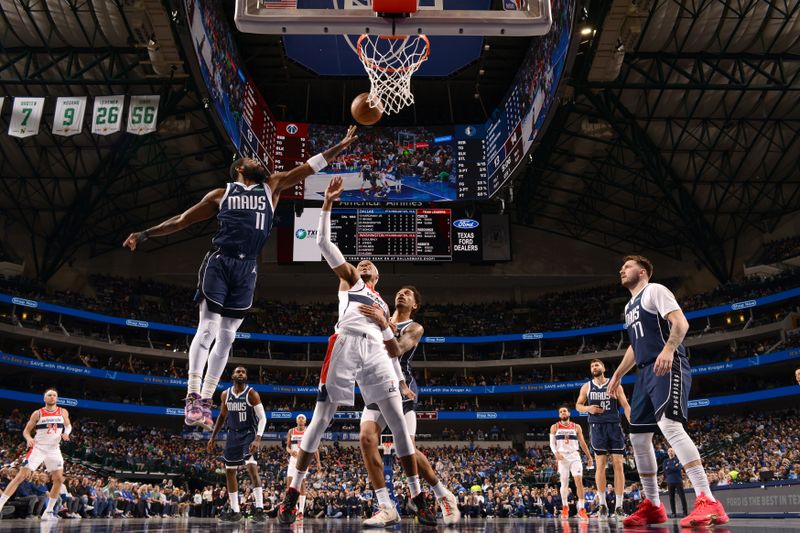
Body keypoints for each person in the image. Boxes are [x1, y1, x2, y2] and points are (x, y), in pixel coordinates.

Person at [123, 127, 358, 430]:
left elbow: (309, 167)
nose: (260, 162)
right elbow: (181, 220)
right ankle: (193, 395)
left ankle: (205, 401)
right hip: (220, 262)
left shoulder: (272, 186)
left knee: (227, 337)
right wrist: (144, 234)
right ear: (239, 168)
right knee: (207, 329)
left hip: (247, 269)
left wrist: (338, 145)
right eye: (252, 159)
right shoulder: (221, 194)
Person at [276, 176, 435, 525]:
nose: (364, 263)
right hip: (345, 346)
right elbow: (322, 242)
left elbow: (393, 348)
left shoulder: (383, 306)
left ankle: (417, 498)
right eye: (360, 262)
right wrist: (328, 203)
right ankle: (292, 494)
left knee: (398, 427)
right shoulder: (351, 282)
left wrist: (399, 378)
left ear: (378, 275)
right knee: (319, 421)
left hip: (378, 354)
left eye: (370, 264)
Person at [609, 255, 729, 527]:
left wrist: (668, 349)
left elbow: (681, 323)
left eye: (626, 266)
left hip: (667, 364)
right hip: (644, 372)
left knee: (670, 426)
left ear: (642, 272)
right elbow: (635, 346)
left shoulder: (655, 290)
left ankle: (708, 500)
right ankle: (653, 505)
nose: (621, 270)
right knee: (638, 438)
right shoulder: (629, 306)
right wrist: (617, 374)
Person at [358, 286, 460, 526]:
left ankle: (442, 495)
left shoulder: (414, 327)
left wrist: (382, 324)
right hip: (375, 385)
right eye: (399, 292)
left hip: (401, 389)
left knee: (408, 452)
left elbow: (395, 349)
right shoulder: (378, 315)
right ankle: (385, 506)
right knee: (366, 439)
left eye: (408, 294)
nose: (401, 294)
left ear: (415, 305)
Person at [0, 388, 71, 521]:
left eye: (55, 395)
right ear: (44, 398)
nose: (52, 397)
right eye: (49, 395)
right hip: (38, 448)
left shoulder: (63, 412)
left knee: (58, 479)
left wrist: (67, 433)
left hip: (54, 449)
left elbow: (68, 426)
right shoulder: (37, 413)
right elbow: (26, 431)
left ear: (57, 398)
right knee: (21, 476)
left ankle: (48, 511)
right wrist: (29, 439)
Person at [207, 366, 267, 522]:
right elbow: (221, 416)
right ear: (233, 375)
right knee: (229, 471)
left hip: (248, 433)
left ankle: (259, 509)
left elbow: (263, 418)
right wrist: (213, 437)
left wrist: (258, 438)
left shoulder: (252, 394)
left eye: (243, 372)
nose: (240, 374)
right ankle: (235, 511)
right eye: (238, 372)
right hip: (232, 435)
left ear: (246, 376)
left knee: (252, 468)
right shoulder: (225, 394)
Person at [575, 358, 631, 519]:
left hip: (614, 425)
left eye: (597, 364)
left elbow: (626, 405)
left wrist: (632, 422)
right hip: (596, 427)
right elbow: (578, 405)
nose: (594, 367)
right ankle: (603, 505)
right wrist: (588, 408)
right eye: (592, 365)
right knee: (600, 465)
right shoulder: (587, 386)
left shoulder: (614, 384)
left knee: (618, 465)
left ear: (604, 367)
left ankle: (619, 506)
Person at [549, 406, 592, 521]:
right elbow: (552, 443)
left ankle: (582, 509)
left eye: (564, 411)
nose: (563, 413)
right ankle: (565, 506)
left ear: (569, 413)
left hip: (574, 455)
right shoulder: (555, 426)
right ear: (559, 415)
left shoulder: (576, 426)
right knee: (564, 483)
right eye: (561, 411)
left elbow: (582, 443)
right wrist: (555, 453)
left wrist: (589, 457)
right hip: (562, 457)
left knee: (578, 481)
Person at [286, 414, 320, 519]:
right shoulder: (291, 431)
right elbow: (287, 447)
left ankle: (300, 511)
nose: (300, 419)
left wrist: (318, 462)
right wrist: (291, 451)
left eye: (303, 418)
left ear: (305, 422)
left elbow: (315, 447)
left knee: (302, 486)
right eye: (299, 418)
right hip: (293, 460)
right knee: (289, 486)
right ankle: (294, 508)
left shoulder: (308, 431)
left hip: (304, 460)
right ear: (296, 421)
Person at [663, 448, 687, 517]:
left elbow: (678, 468)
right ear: (667, 453)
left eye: (672, 451)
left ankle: (685, 512)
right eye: (669, 451)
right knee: (671, 498)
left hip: (678, 481)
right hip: (670, 482)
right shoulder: (665, 461)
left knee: (682, 497)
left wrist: (670, 468)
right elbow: (665, 470)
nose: (670, 452)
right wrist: (674, 467)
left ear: (674, 452)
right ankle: (673, 513)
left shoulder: (678, 459)